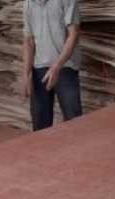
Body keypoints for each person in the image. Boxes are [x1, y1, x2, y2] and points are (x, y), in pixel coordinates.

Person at [22, 0, 83, 131]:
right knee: (40, 123)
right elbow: (29, 41)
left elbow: (73, 35)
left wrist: (56, 67)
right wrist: (26, 75)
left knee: (74, 120)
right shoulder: (28, 3)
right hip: (39, 69)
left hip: (65, 67)